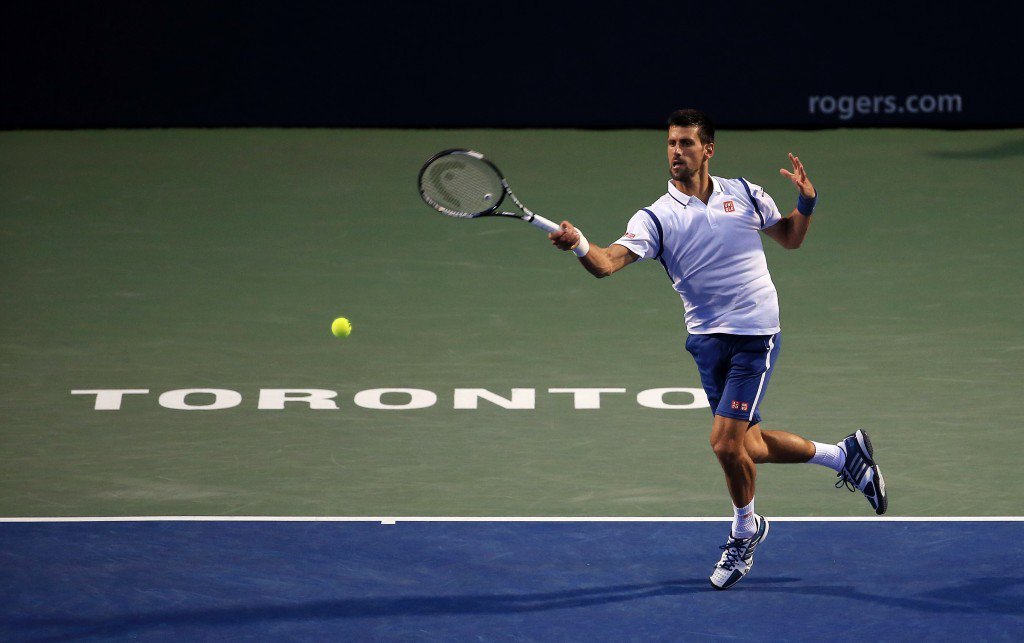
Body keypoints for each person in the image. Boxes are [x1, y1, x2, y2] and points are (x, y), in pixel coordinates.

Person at [548, 109, 887, 590]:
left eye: (686, 143)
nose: (676, 152)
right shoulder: (655, 218)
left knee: (724, 442)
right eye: (670, 144)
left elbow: (790, 238)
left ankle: (745, 531)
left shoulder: (746, 193)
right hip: (706, 342)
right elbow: (606, 264)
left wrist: (806, 203)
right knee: (747, 445)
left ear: (707, 149)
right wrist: (580, 243)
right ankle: (843, 455)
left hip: (755, 335)